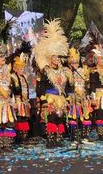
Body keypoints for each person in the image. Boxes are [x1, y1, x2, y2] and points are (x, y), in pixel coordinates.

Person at [33, 19, 69, 148]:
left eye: (58, 57)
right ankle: (50, 139)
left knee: (60, 118)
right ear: (49, 58)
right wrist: (43, 100)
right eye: (54, 57)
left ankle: (58, 139)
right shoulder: (45, 71)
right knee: (51, 118)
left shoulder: (63, 71)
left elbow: (67, 85)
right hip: (50, 97)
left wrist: (68, 97)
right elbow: (40, 86)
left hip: (60, 97)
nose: (56, 59)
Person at [65, 47, 92, 142]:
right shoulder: (67, 72)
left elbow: (87, 84)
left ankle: (85, 136)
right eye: (72, 63)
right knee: (74, 116)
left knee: (86, 116)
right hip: (73, 98)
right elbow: (66, 87)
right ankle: (74, 137)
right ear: (69, 63)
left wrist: (88, 95)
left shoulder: (82, 71)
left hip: (83, 97)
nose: (74, 65)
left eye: (76, 62)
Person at [9, 41, 32, 145]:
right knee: (18, 119)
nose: (22, 70)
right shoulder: (13, 77)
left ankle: (24, 137)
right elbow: (13, 90)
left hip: (24, 101)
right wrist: (14, 101)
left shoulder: (23, 77)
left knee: (24, 119)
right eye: (21, 68)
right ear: (16, 68)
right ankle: (18, 138)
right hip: (17, 101)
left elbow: (26, 89)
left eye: (23, 68)